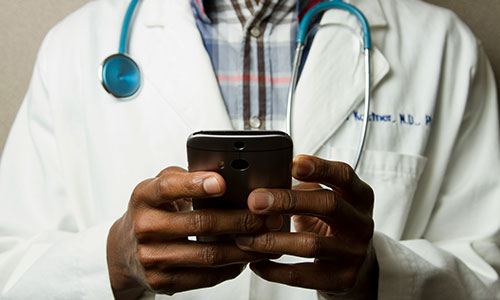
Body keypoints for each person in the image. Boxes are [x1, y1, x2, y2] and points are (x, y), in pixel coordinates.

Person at [0, 0, 499, 299]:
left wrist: (378, 277)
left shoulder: (443, 47)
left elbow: (489, 273)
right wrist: (113, 262)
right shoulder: (74, 47)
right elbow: (10, 271)